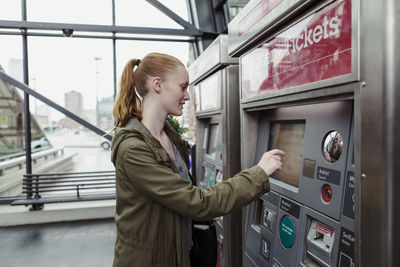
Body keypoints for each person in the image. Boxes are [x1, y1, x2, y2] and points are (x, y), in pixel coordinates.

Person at [111, 52, 285, 267]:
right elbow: (197, 202)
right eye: (183, 87)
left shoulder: (169, 138)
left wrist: (198, 219)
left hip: (179, 255)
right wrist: (259, 173)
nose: (187, 96)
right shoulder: (133, 149)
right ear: (158, 84)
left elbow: (178, 199)